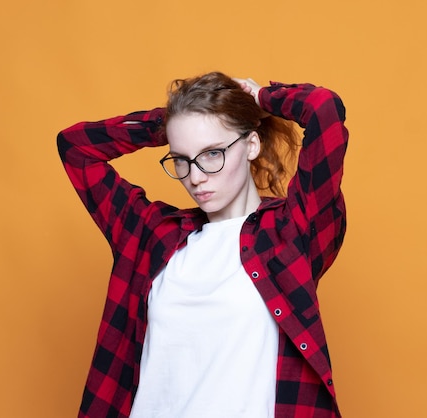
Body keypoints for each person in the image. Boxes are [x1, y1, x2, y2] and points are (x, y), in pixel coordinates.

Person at [57, 72, 349, 418]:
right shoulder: (151, 235)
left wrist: (261, 99)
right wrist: (168, 123)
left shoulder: (291, 232)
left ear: (251, 145)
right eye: (182, 159)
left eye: (212, 154)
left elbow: (324, 110)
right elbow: (76, 148)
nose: (195, 176)